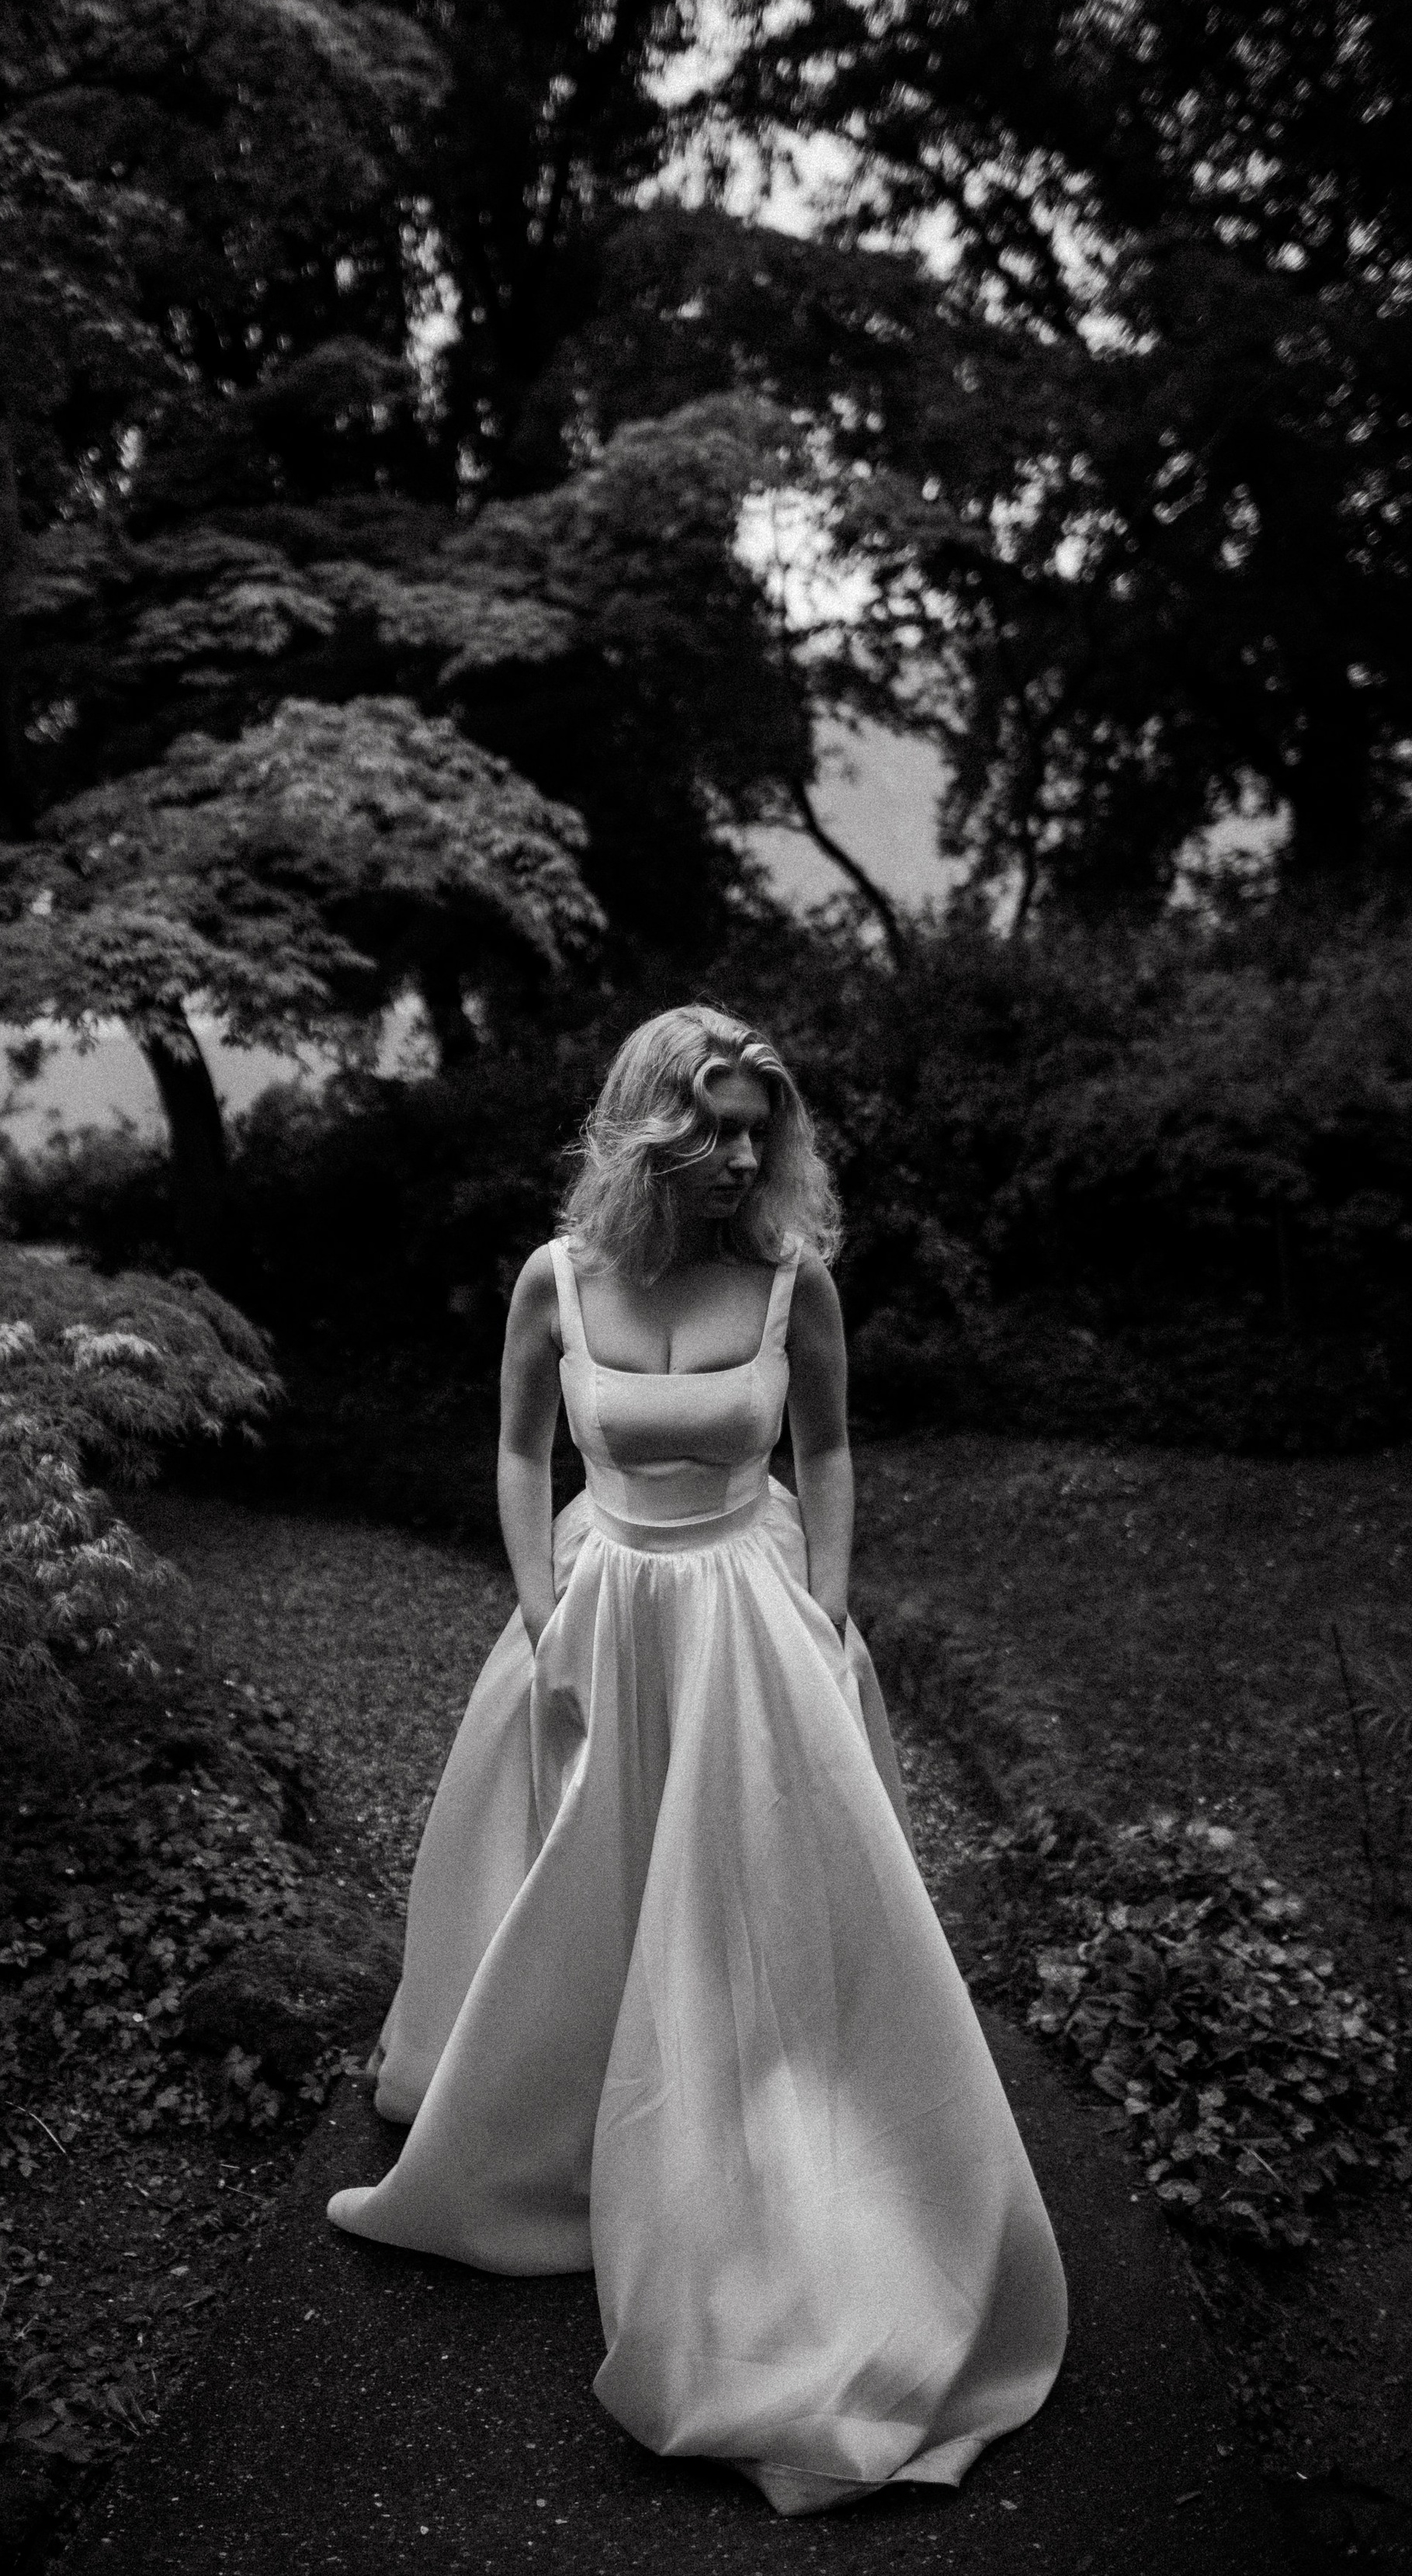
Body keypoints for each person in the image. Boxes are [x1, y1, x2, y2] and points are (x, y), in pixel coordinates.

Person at [326, 1004, 1067, 2514]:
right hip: (597, 1609)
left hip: (748, 1612)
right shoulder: (556, 1278)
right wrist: (542, 1617)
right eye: (713, 1126)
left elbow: (829, 1451)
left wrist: (829, 1611)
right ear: (648, 1125)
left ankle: (754, 2134)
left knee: (749, 1899)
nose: (739, 1156)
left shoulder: (793, 1280)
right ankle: (554, 2118)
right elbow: (521, 1450)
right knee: (588, 1877)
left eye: (755, 1130)